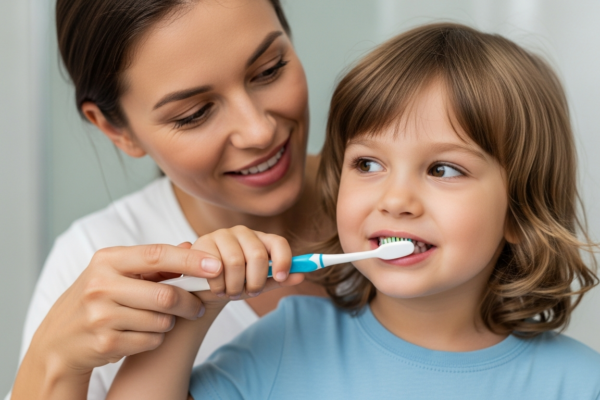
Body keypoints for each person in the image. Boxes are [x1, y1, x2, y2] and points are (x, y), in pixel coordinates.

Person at [104, 23, 600, 400]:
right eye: (368, 163)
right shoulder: (288, 340)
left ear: (519, 210)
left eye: (444, 170)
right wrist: (196, 310)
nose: (395, 200)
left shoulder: (578, 383)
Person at [8, 0, 334, 399]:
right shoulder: (89, 259)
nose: (258, 132)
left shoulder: (411, 206)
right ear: (115, 128)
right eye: (194, 113)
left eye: (269, 69)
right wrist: (53, 360)